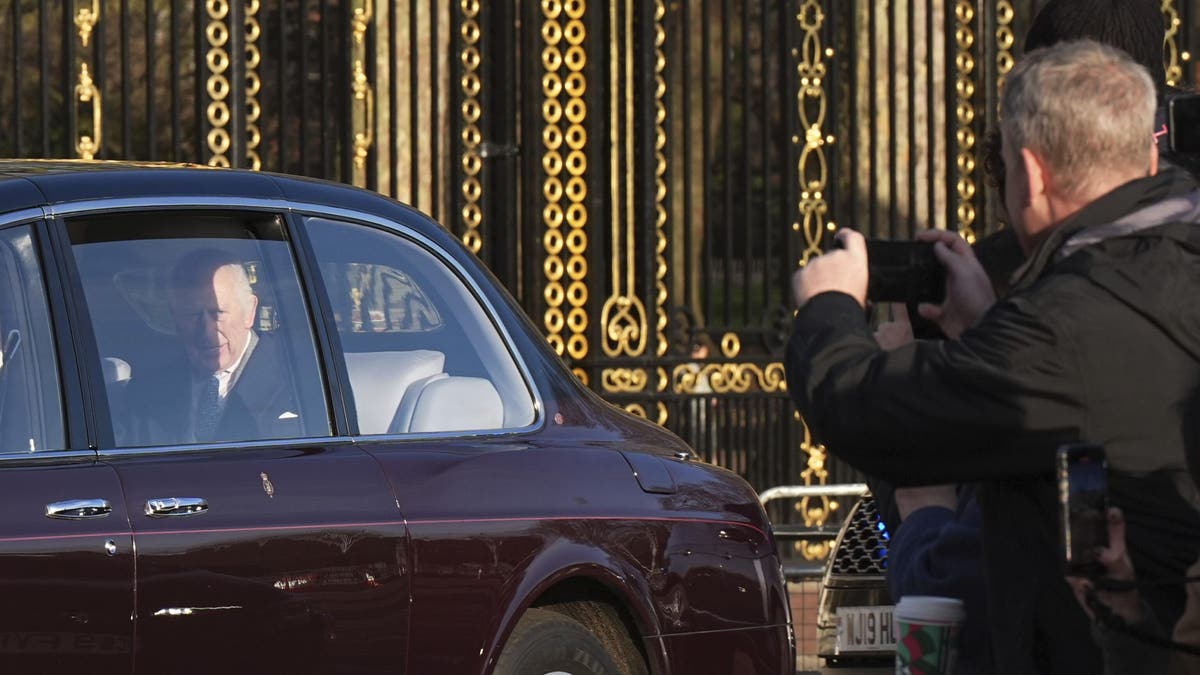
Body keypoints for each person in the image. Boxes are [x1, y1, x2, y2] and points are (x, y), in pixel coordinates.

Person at [786, 40, 1200, 674]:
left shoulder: (1064, 331)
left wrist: (829, 306)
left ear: (1030, 174)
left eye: (1004, 164)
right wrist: (991, 324)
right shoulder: (1165, 262)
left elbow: (859, 407)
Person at [126, 248, 303, 445]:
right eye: (192, 315)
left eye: (217, 313)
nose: (207, 331)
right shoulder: (146, 394)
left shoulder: (300, 382)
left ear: (250, 311)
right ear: (175, 318)